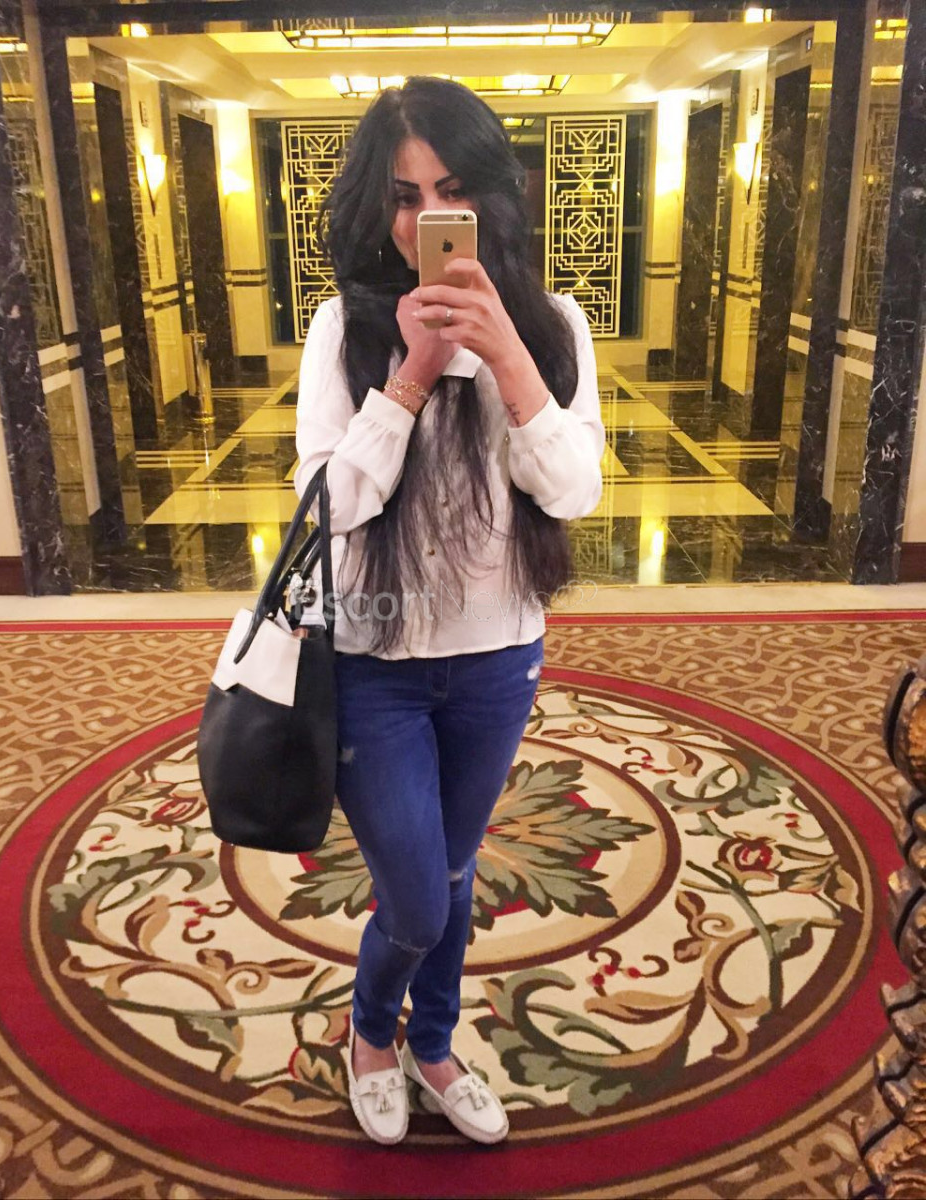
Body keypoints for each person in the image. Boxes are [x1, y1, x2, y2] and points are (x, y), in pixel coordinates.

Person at [293, 76, 605, 1145]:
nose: (428, 216)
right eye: (403, 195)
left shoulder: (555, 325)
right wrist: (412, 376)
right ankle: (370, 1033)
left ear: (493, 195)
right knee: (420, 897)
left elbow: (573, 492)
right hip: (371, 661)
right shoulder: (345, 329)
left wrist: (508, 355)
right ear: (375, 207)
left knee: (459, 873)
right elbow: (328, 510)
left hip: (496, 661)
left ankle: (432, 1044)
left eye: (451, 189)